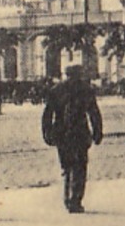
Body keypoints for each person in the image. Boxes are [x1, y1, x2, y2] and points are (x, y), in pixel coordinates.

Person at [41, 64, 103, 214]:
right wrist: (97, 132)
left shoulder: (57, 90)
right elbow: (94, 112)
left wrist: (47, 133)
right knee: (79, 167)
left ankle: (69, 199)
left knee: (67, 166)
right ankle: (75, 199)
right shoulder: (85, 89)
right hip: (79, 133)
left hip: (62, 134)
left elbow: (47, 115)